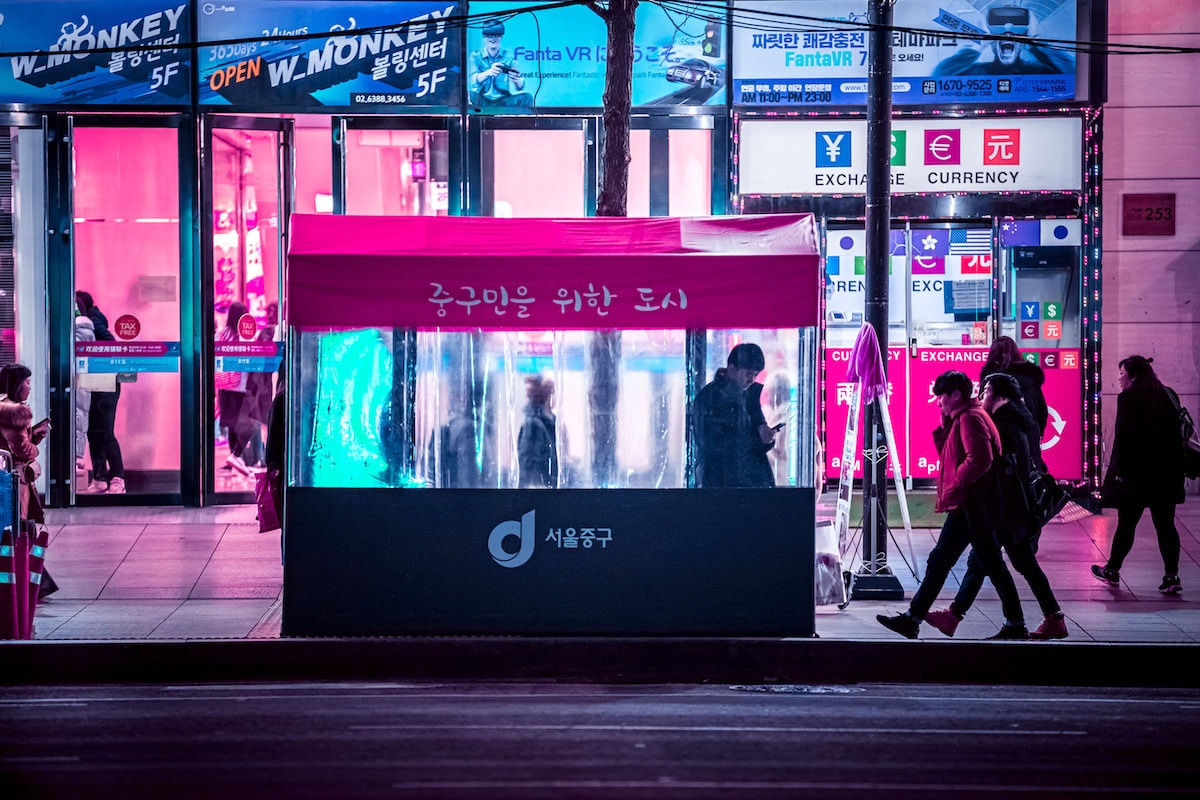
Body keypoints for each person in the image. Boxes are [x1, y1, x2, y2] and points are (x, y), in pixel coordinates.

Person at [877, 370, 1029, 640]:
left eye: (942, 397)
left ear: (956, 395)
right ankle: (914, 618)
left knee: (970, 562)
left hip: (972, 504)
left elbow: (980, 458)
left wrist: (957, 481)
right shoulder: (964, 417)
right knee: (970, 562)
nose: (938, 402)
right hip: (971, 503)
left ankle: (1014, 623)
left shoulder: (971, 418)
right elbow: (955, 452)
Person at [923, 373, 1068, 640]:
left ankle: (1008, 621)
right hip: (1014, 507)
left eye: (985, 390)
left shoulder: (1004, 424)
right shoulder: (1020, 420)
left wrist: (962, 483)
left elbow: (993, 466)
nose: (981, 397)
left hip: (1006, 508)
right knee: (1007, 562)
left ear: (999, 394)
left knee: (989, 561)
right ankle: (1050, 618)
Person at [1092, 355, 1185, 595]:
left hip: (1138, 476)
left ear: (1132, 375)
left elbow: (1124, 440)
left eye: (1122, 374)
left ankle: (1112, 570)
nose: (1119, 379)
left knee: (1127, 525)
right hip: (1167, 474)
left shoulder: (1129, 398)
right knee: (1166, 526)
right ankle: (1172, 575)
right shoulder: (1169, 394)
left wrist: (1117, 474)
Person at [0, 363, 57, 598]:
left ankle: (37, 583)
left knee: (18, 530)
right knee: (20, 530)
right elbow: (20, 448)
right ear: (16, 384)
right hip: (16, 481)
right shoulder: (14, 412)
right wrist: (36, 448)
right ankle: (32, 584)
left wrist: (34, 433)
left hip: (7, 477)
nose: (29, 387)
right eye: (27, 382)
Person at [694, 343, 777, 488]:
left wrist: (765, 433)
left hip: (745, 481)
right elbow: (714, 443)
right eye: (748, 374)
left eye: (755, 375)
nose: (751, 380)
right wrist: (758, 439)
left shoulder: (748, 396)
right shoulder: (711, 397)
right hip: (723, 482)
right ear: (732, 369)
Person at [933, 1, 1075, 77]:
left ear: (1024, 42)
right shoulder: (975, 72)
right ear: (991, 43)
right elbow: (938, 76)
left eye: (1016, 36)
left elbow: (1074, 73)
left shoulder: (1038, 72)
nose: (1008, 35)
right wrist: (979, 44)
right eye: (998, 35)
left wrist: (1035, 40)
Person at [76, 291, 125, 494]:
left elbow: (111, 346)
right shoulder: (88, 321)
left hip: (105, 383)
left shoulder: (94, 321)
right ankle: (99, 478)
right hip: (91, 382)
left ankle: (117, 476)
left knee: (104, 431)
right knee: (93, 431)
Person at [980, 335, 1048, 444]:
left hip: (999, 439)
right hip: (1029, 436)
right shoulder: (1030, 378)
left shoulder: (990, 381)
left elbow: (982, 413)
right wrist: (1037, 433)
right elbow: (1042, 411)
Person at [217, 301, 256, 477]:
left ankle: (234, 459)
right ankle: (236, 456)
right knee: (250, 425)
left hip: (224, 386)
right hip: (241, 386)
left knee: (232, 426)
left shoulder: (220, 336)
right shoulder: (245, 336)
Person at [469, 21, 534, 110]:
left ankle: (518, 123)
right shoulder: (475, 56)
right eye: (489, 35)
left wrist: (516, 80)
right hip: (482, 99)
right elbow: (472, 81)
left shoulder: (509, 57)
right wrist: (489, 72)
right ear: (484, 37)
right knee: (467, 94)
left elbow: (520, 86)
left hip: (503, 101)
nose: (493, 38)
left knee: (527, 97)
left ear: (501, 37)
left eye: (496, 35)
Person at [518, 375, 557, 488]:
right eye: (552, 392)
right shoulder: (534, 425)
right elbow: (531, 466)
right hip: (540, 491)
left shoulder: (551, 422)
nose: (555, 396)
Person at [73, 312, 95, 490]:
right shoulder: (84, 328)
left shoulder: (80, 329)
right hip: (79, 386)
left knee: (77, 419)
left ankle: (74, 459)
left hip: (75, 385)